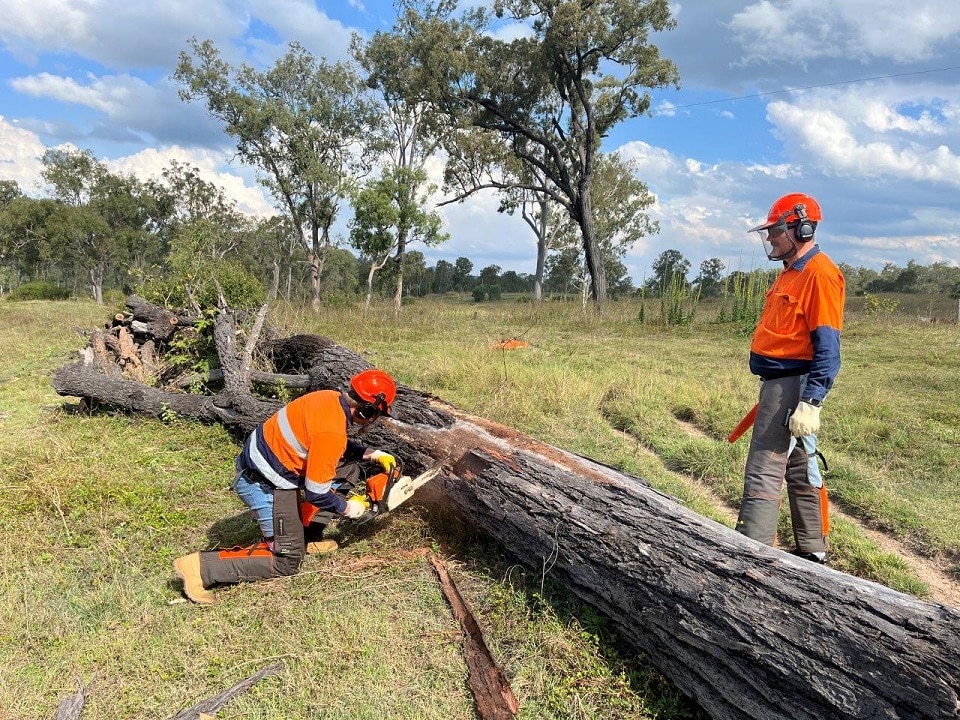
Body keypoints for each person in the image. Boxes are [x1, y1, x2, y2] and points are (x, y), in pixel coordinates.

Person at [173, 368, 399, 604]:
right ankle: (200, 568)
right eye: (375, 416)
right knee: (287, 560)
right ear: (366, 410)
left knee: (348, 469)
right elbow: (317, 491)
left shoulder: (328, 398)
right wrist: (348, 509)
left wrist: (371, 454)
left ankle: (307, 537)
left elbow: (325, 440)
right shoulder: (331, 432)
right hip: (263, 484)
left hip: (271, 467)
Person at [734, 192, 845, 563]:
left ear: (801, 227)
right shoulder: (791, 274)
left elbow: (828, 345)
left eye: (776, 230)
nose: (770, 238)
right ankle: (813, 551)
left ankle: (750, 554)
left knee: (764, 469)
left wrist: (812, 402)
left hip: (791, 386)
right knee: (800, 466)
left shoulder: (820, 274)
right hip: (779, 386)